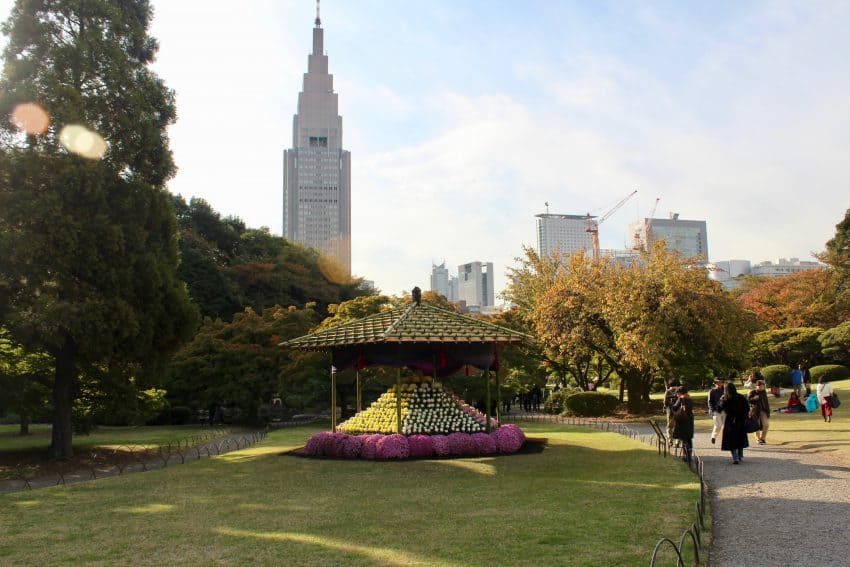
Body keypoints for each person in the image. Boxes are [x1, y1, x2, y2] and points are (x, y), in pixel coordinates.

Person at [717, 382, 750, 464]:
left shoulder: (725, 399)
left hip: (730, 421)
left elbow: (719, 409)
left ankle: (735, 458)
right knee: (740, 438)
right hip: (740, 420)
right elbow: (747, 408)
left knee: (731, 440)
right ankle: (740, 456)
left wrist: (721, 401)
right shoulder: (741, 397)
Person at [670, 386, 695, 463]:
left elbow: (674, 408)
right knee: (689, 439)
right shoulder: (689, 399)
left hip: (682, 421)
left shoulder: (681, 399)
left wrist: (672, 403)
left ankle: (686, 456)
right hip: (689, 420)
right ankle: (689, 455)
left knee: (684, 439)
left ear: (680, 393)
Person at [747, 380, 771, 444]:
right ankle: (758, 439)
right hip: (755, 411)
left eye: (763, 386)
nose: (761, 387)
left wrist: (768, 411)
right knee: (756, 426)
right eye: (760, 386)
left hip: (763, 411)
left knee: (766, 425)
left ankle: (763, 438)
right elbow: (748, 401)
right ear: (756, 386)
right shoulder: (752, 392)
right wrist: (753, 398)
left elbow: (766, 403)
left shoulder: (764, 392)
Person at [663, 378, 681, 446]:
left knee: (669, 427)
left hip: (670, 411)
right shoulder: (679, 390)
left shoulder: (667, 391)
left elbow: (665, 403)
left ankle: (670, 440)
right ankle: (677, 442)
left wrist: (665, 405)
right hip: (679, 411)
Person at [708, 377, 725, 444]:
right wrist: (712, 410)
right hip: (716, 410)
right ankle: (713, 437)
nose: (719, 384)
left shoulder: (725, 390)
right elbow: (710, 402)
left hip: (725, 410)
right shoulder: (712, 391)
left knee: (726, 426)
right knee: (718, 425)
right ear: (715, 383)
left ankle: (725, 439)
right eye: (717, 382)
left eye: (720, 382)